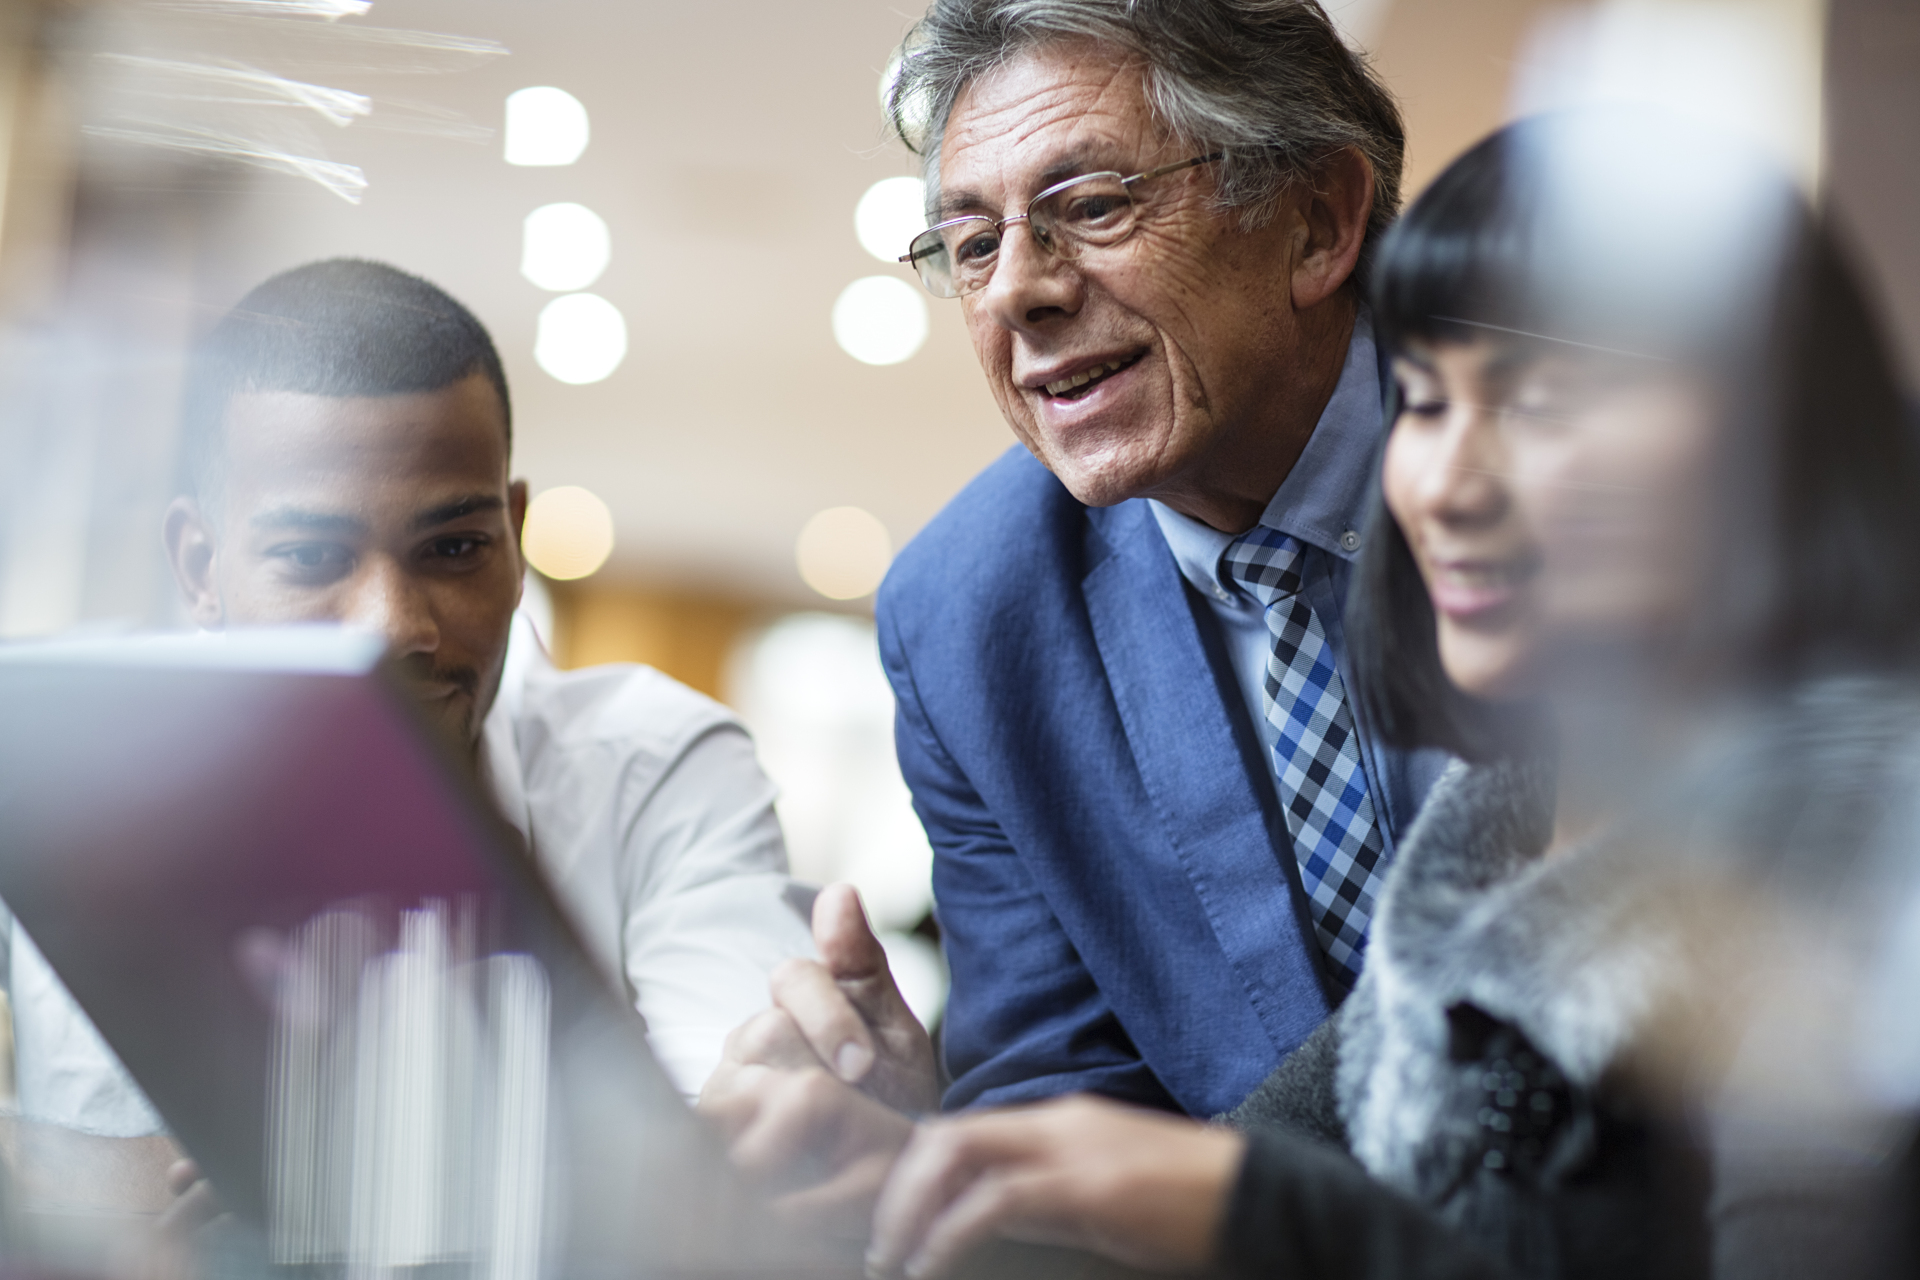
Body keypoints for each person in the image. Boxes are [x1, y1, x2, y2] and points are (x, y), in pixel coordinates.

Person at [856, 112, 1920, 1280]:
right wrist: (907, 1156)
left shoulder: (1857, 860)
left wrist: (1270, 1219)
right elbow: (1143, 1186)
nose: (1446, 482)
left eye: (1543, 399)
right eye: (1422, 396)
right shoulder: (1490, 844)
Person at [703, 0, 1450, 1179]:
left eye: (1092, 207)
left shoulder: (1580, 448)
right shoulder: (967, 616)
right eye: (970, 243)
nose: (1016, 293)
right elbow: (1061, 1108)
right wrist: (935, 1148)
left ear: (1318, 219)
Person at [9, 259, 814, 1191]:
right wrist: (52, 1165)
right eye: (312, 556)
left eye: (455, 549)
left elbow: (743, 1143)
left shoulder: (653, 773)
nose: (395, 626)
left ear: (517, 543)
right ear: (199, 567)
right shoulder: (51, 764)